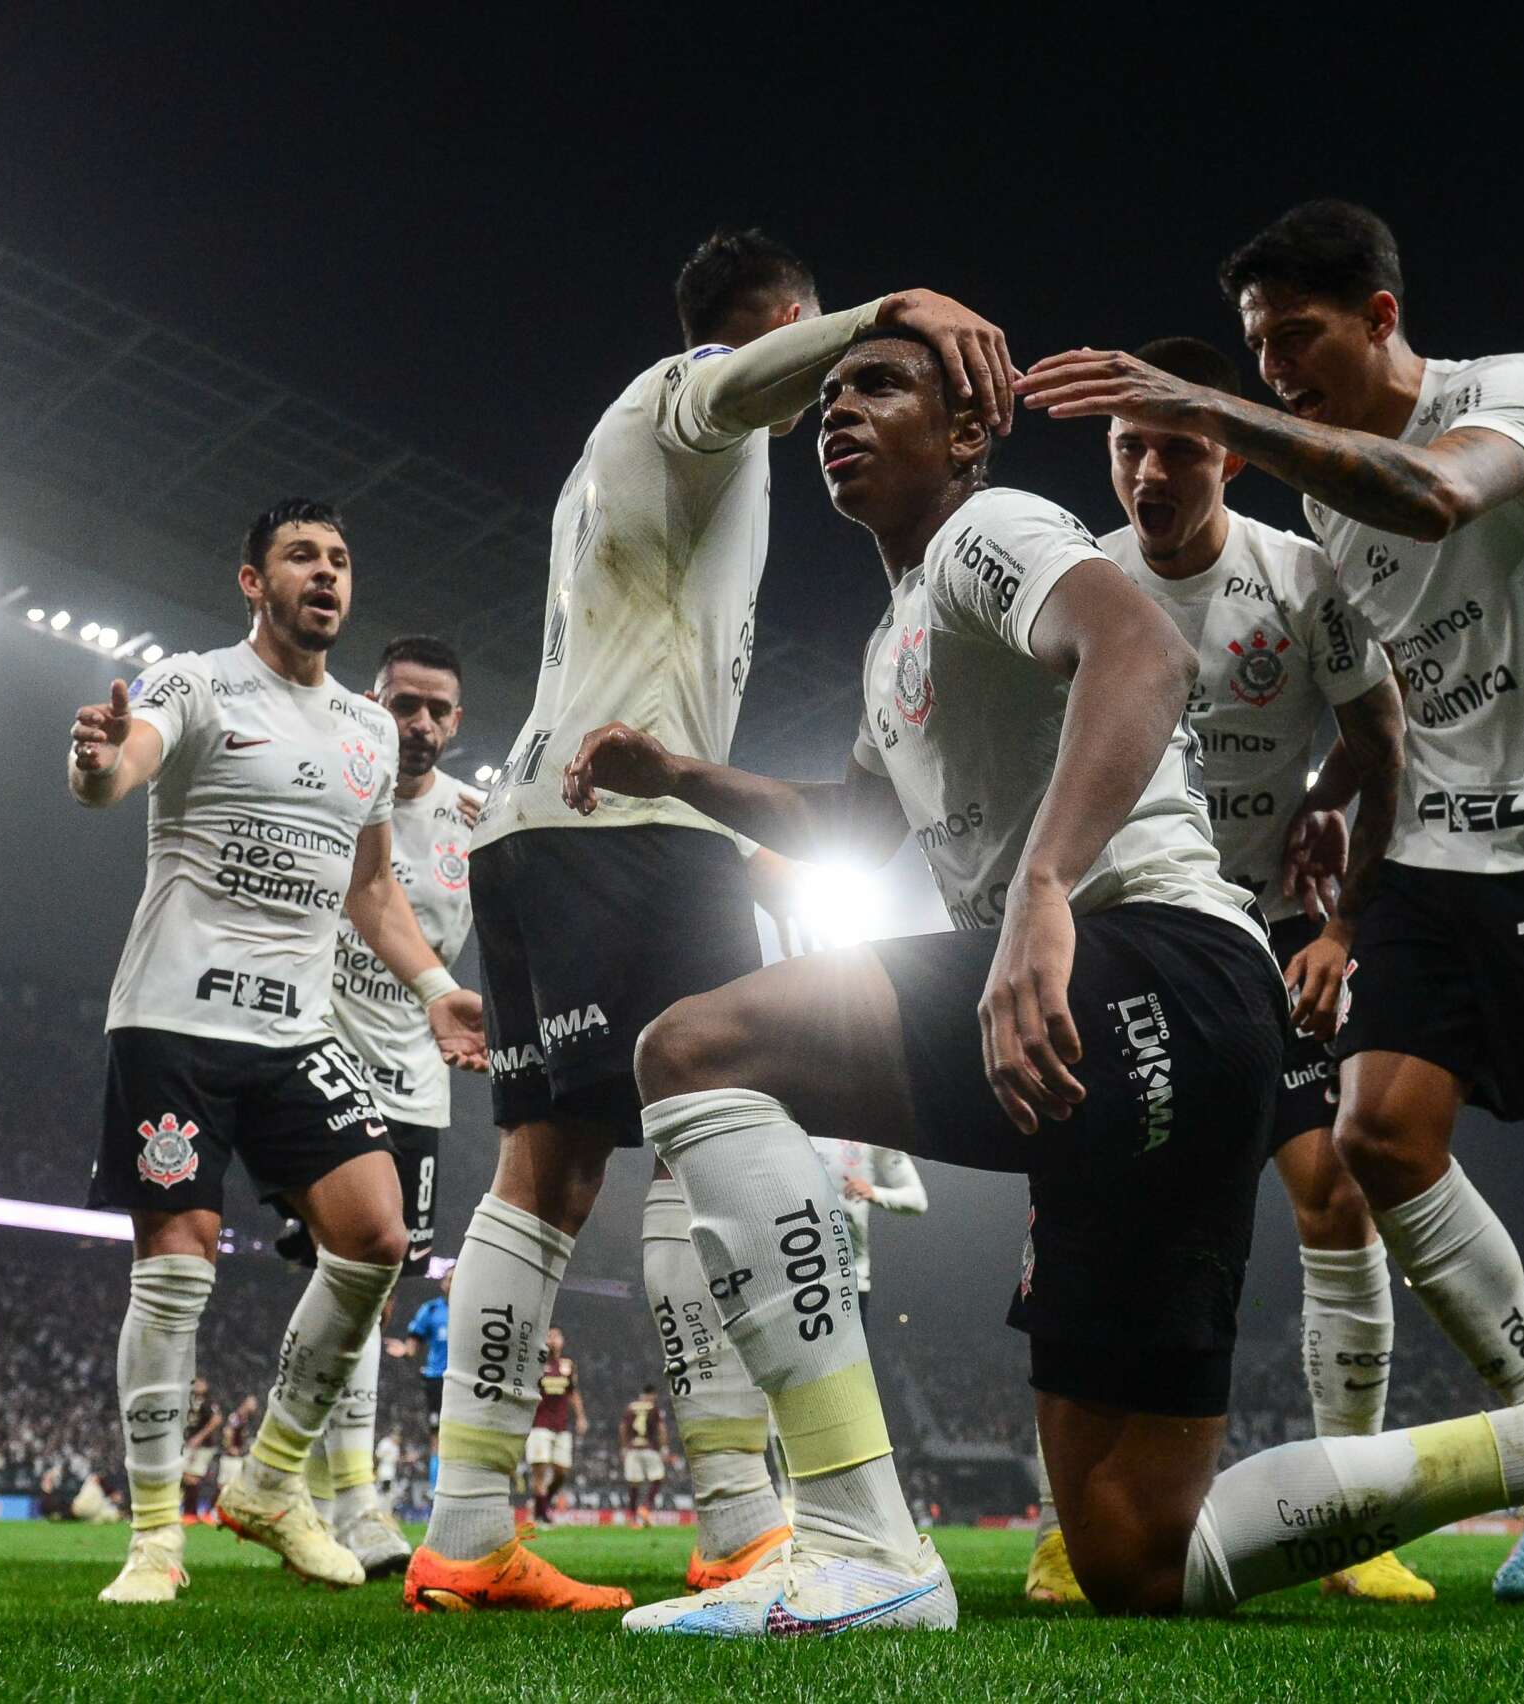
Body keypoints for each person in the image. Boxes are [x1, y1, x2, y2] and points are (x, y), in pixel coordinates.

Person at [567, 330, 1524, 1634]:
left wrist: (1047, 890)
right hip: (1148, 1030)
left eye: (879, 385)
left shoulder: (987, 528)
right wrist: (678, 782)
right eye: (827, 397)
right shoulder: (899, 631)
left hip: (1146, 970)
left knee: (693, 1048)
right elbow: (852, 815)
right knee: (1136, 1556)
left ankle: (855, 1542)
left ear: (965, 435)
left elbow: (1140, 653)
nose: (839, 409)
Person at [1017, 197, 1524, 1614]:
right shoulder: (1324, 496)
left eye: (1294, 337)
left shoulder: (1508, 396)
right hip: (1434, 859)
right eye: (1254, 346)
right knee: (1379, 1141)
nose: (1273, 366)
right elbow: (1382, 715)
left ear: (1382, 316)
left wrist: (1208, 407)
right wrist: (1337, 808)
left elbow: (1438, 494)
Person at [407, 226, 1013, 1616]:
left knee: (551, 1176)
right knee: (705, 1142)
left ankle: (470, 1526)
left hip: (566, 831)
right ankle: (745, 1519)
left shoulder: (629, 463)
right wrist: (899, 304)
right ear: (790, 329)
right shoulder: (687, 400)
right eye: (840, 366)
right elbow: (729, 383)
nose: (844, 400)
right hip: (620, 833)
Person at [1053, 332, 1427, 1607]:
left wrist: (1340, 930)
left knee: (1333, 1193)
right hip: (1134, 933)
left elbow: (1382, 740)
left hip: (1271, 935)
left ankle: (1355, 1514)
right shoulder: (1079, 585)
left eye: (1170, 444)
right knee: (1095, 1214)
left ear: (1224, 450)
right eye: (1125, 447)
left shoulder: (1298, 577)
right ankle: (1071, 1519)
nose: (1146, 469)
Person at [67, 497, 487, 1605]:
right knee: (175, 1273)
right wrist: (98, 765)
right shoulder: (195, 682)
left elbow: (371, 888)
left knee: (376, 1237)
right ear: (252, 581)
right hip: (176, 1023)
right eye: (302, 555)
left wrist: (439, 990)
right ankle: (154, 1540)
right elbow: (121, 770)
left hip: (296, 1034)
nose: (326, 574)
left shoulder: (363, 728)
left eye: (342, 559)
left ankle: (266, 1483)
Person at [279, 632, 481, 1578]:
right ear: (373, 700)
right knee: (348, 1270)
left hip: (419, 1079)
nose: (422, 725)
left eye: (439, 710)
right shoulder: (330, 780)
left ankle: (308, 1495)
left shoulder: (477, 825)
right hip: (319, 1058)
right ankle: (350, 1500)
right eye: (405, 704)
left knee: (372, 1291)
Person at [808, 1140, 927, 1330]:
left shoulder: (872, 1131)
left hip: (849, 1279)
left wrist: (875, 1193)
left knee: (850, 1360)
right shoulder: (795, 1123)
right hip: (795, 1275)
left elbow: (918, 1200)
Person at [524, 1327, 585, 1527]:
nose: (552, 1340)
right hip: (539, 1424)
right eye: (549, 1336)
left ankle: (540, 1504)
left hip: (561, 1425)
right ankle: (542, 1516)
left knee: (561, 1471)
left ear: (562, 1341)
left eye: (556, 1336)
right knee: (540, 1472)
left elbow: (573, 1392)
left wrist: (580, 1417)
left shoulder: (568, 1366)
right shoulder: (535, 1364)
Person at [394, 1267, 451, 1433]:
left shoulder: (472, 1310)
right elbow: (413, 1345)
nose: (453, 1283)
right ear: (443, 1284)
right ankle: (435, 1460)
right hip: (437, 1378)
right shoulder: (431, 1310)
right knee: (437, 1427)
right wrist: (405, 1351)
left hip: (462, 1379)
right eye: (450, 1279)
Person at [620, 1385, 669, 1527]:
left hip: (633, 1448)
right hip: (649, 1448)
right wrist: (664, 1447)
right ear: (652, 1394)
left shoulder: (630, 1408)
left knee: (634, 1483)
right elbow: (661, 1429)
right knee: (658, 1477)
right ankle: (645, 1508)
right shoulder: (653, 1408)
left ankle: (632, 1517)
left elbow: (623, 1427)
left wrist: (624, 1447)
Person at [179, 1379, 223, 1523]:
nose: (197, 1386)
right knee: (186, 1475)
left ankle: (191, 1513)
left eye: (200, 1383)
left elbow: (217, 1419)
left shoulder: (209, 1402)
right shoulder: (190, 1401)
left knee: (192, 1477)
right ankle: (189, 1512)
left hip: (203, 1445)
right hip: (191, 1444)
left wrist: (199, 1437)